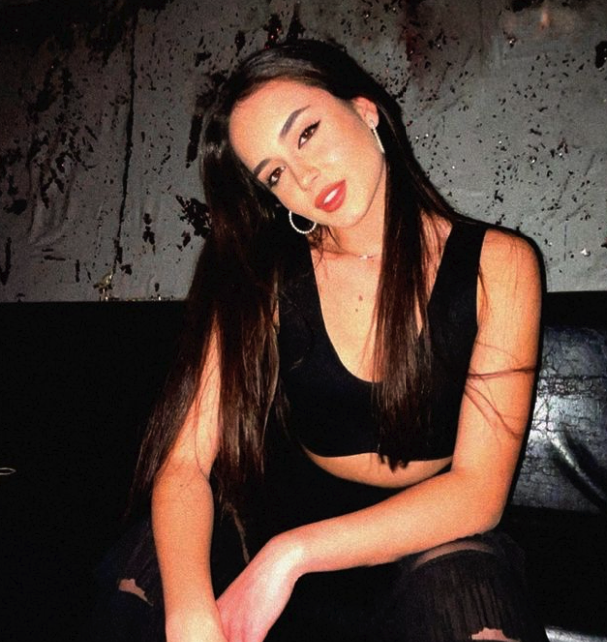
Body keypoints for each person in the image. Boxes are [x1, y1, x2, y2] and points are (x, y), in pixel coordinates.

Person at [84, 39, 547, 642]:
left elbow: (478, 494)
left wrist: (290, 555)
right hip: (270, 524)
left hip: (430, 536)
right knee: (151, 577)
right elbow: (184, 465)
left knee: (469, 598)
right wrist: (191, 614)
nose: (304, 176)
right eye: (275, 174)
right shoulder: (264, 276)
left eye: (306, 133)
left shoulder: (499, 264)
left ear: (364, 109)